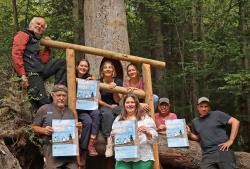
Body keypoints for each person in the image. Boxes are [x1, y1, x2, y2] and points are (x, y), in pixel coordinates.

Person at [12, 16, 67, 108]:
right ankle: (48, 112)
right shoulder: (23, 34)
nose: (39, 26)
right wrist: (22, 75)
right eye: (38, 24)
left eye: (42, 26)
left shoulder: (36, 41)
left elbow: (43, 60)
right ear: (31, 24)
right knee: (43, 102)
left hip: (40, 71)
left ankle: (58, 90)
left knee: (62, 63)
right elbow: (16, 54)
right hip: (31, 74)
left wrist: (47, 47)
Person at [31, 84, 78, 169]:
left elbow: (75, 135)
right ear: (53, 95)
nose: (61, 98)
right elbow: (34, 127)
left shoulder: (71, 112)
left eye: (64, 95)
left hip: (69, 151)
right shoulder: (44, 109)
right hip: (50, 149)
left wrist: (79, 129)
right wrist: (43, 130)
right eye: (58, 95)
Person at [187, 97, 240, 169]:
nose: (204, 109)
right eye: (201, 106)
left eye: (206, 106)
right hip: (207, 154)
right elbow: (199, 138)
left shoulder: (217, 114)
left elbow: (235, 122)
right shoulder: (195, 122)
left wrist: (230, 140)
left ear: (209, 107)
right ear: (197, 107)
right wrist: (189, 134)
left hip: (223, 151)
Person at [112, 93, 158, 169]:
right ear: (124, 105)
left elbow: (155, 137)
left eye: (132, 102)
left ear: (137, 104)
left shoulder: (145, 118)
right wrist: (113, 137)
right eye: (127, 102)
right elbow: (113, 135)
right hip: (123, 157)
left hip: (142, 156)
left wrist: (147, 132)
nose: (130, 104)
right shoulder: (118, 119)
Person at [76, 58, 100, 162]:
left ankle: (91, 142)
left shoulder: (90, 78)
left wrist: (94, 83)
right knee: (88, 122)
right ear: (77, 66)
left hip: (89, 106)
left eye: (85, 66)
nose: (83, 68)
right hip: (79, 109)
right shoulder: (71, 76)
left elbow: (95, 95)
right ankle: (83, 148)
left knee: (96, 113)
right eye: (81, 65)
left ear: (88, 68)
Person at [99, 60, 123, 139]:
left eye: (110, 67)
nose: (108, 69)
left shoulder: (118, 81)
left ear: (113, 70)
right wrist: (109, 106)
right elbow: (98, 100)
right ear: (102, 71)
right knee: (108, 114)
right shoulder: (99, 82)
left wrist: (115, 89)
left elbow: (117, 100)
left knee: (123, 113)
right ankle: (108, 139)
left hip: (116, 105)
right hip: (104, 105)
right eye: (105, 68)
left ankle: (124, 136)